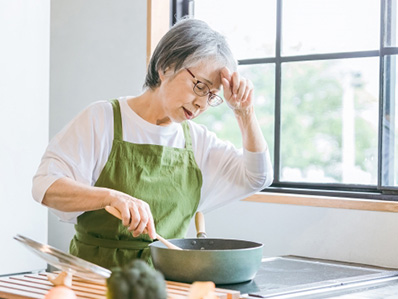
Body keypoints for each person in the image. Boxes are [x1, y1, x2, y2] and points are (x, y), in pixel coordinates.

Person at [32, 18, 273, 269]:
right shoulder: (101, 119)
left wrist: (244, 113)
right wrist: (110, 197)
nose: (202, 103)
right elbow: (46, 187)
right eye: (199, 86)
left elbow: (258, 176)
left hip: (165, 280)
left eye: (211, 96)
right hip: (93, 278)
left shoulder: (198, 142)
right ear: (166, 66)